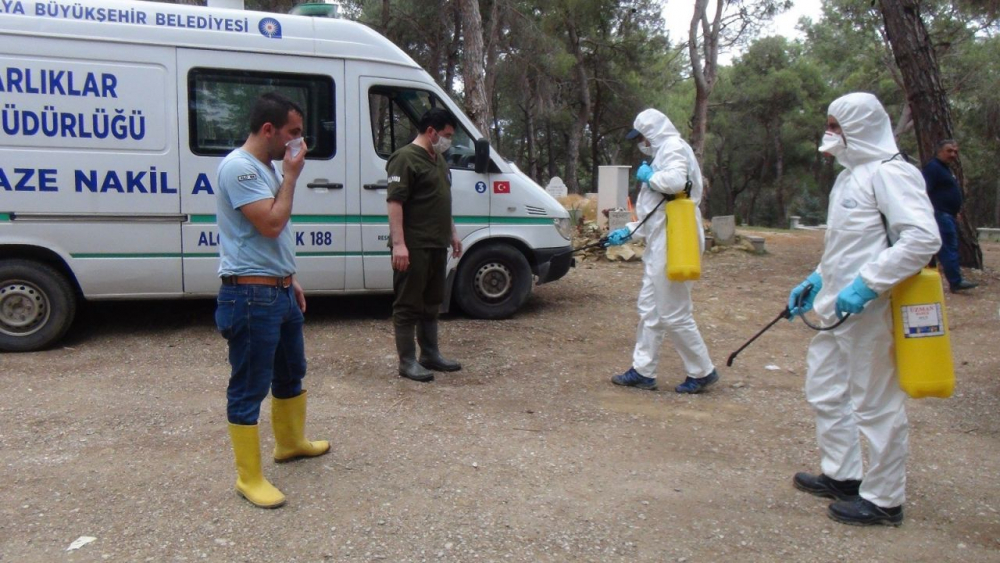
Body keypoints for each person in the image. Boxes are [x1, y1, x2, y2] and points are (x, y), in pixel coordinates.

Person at [787, 93, 941, 526]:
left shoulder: (894, 174)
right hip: (835, 306)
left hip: (870, 308)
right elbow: (846, 245)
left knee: (876, 404)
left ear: (861, 127)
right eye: (829, 124)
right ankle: (842, 475)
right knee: (825, 389)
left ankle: (885, 500)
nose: (829, 133)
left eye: (836, 125)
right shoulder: (849, 177)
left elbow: (922, 239)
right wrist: (817, 278)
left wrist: (868, 285)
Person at [215, 92, 329, 509]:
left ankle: (291, 443)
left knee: (290, 371)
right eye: (294, 133)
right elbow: (271, 223)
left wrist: (289, 277)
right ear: (269, 130)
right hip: (249, 296)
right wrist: (293, 176)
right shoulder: (239, 168)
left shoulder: (264, 167)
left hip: (276, 290)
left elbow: (274, 239)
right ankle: (249, 478)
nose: (299, 142)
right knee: (249, 387)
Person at [605, 108, 719, 394]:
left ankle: (702, 370)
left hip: (676, 241)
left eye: (641, 136)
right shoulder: (662, 154)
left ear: (652, 132)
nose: (640, 142)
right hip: (663, 240)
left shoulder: (673, 148)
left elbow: (677, 183)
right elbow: (655, 214)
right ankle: (643, 371)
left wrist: (650, 176)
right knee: (650, 310)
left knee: (674, 312)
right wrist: (627, 232)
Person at [386, 107, 464, 382]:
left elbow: (442, 200)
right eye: (446, 135)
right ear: (431, 131)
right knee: (408, 304)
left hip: (436, 243)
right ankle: (407, 361)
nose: (448, 141)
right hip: (414, 244)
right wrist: (399, 245)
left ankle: (430, 354)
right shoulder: (405, 158)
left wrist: (452, 233)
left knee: (432, 302)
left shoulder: (438, 159)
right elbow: (395, 203)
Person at [922, 139, 977, 293]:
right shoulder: (933, 168)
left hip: (948, 214)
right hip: (940, 214)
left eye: (955, 152)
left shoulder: (946, 169)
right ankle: (956, 281)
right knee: (948, 247)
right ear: (939, 151)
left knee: (944, 247)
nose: (953, 154)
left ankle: (944, 278)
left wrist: (955, 211)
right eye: (949, 151)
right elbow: (924, 190)